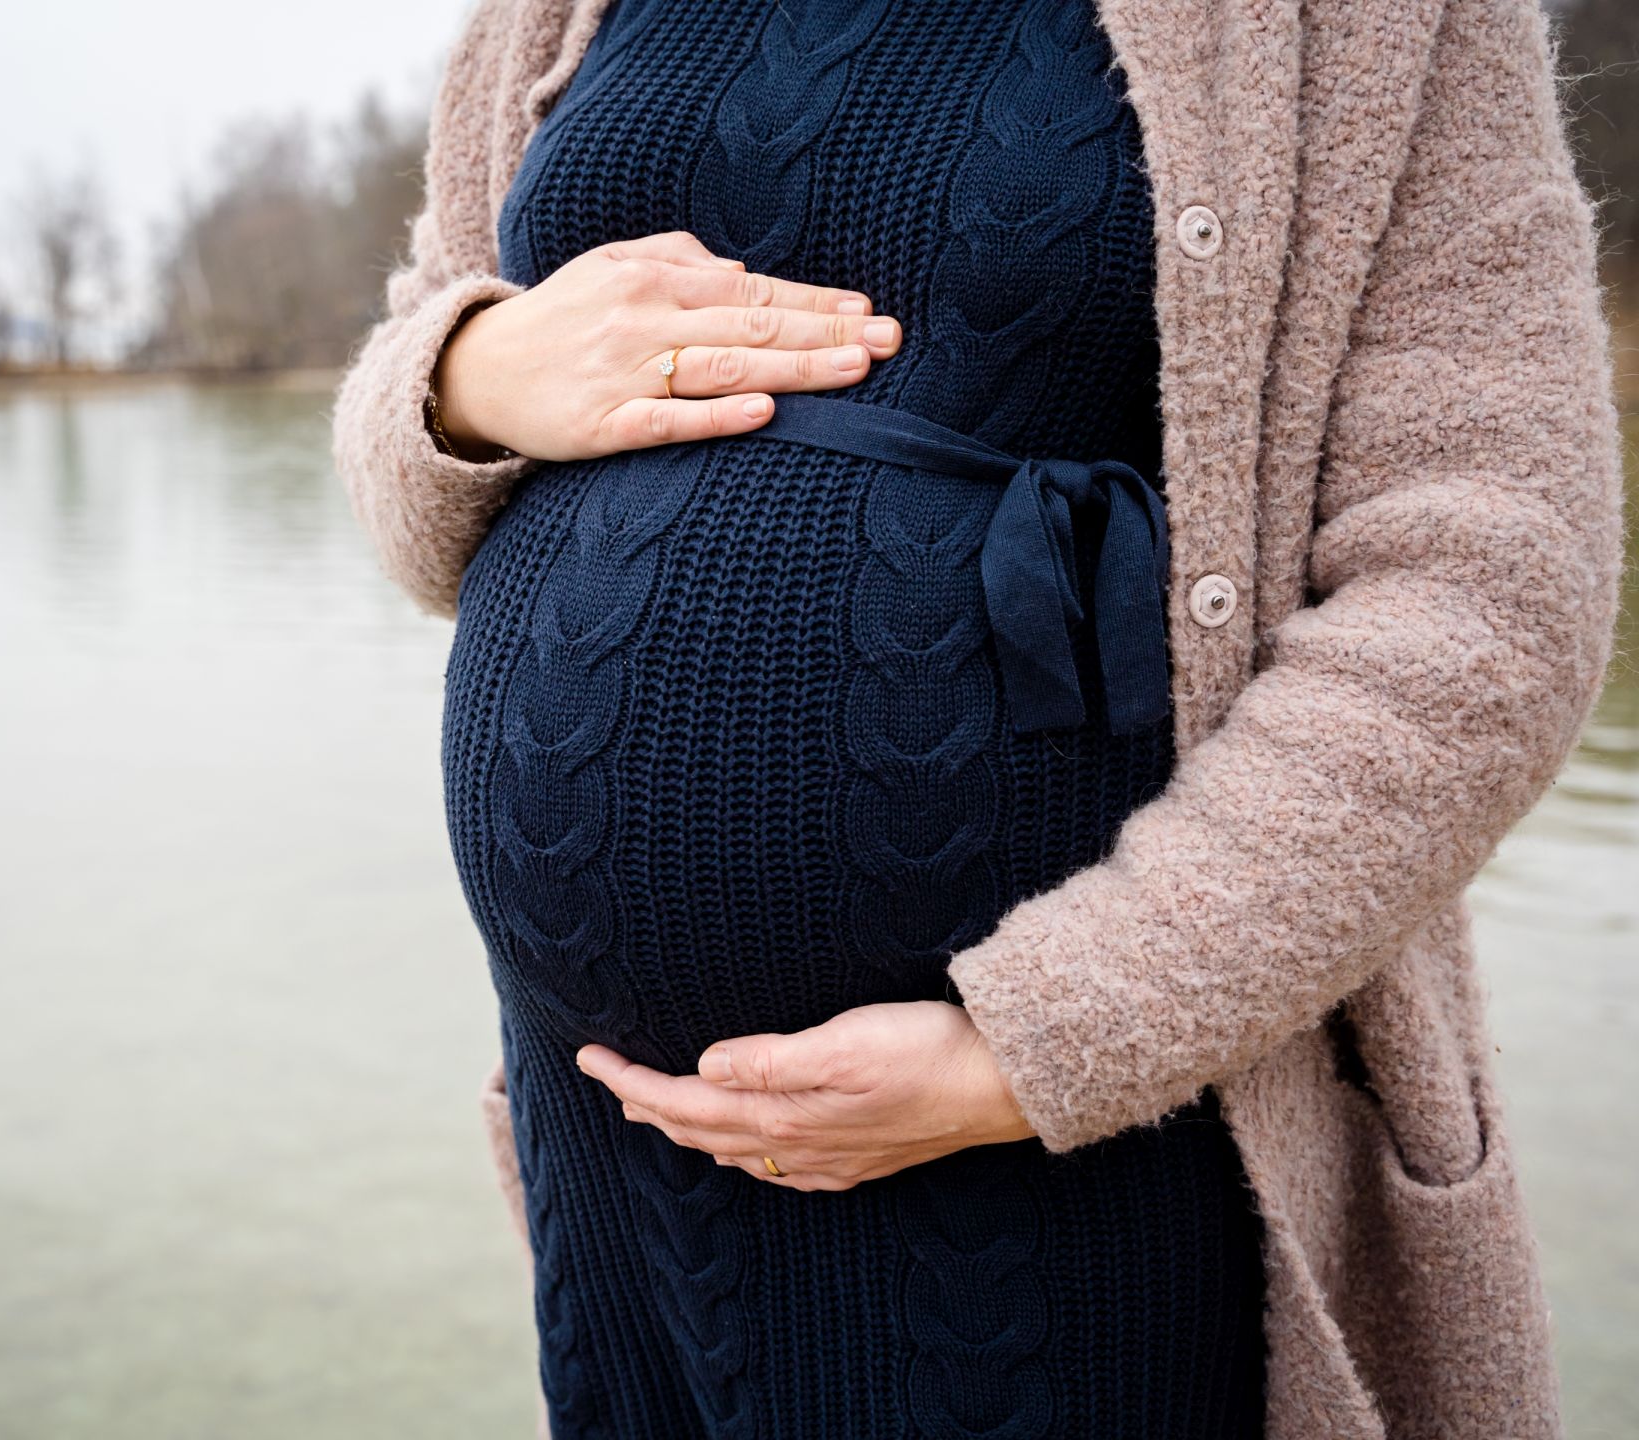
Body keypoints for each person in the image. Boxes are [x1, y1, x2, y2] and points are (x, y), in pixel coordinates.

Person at [330, 0, 1624, 1436]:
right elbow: (418, 374)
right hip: (623, 1157)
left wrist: (1052, 1038)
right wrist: (470, 377)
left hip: (1091, 1132)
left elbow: (1491, 575)